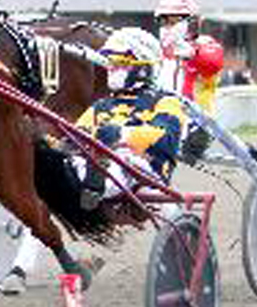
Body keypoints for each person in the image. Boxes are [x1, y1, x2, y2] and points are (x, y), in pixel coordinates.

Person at [71, 27, 191, 206]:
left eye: (120, 64)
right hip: (98, 162)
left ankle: (95, 185)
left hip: (146, 173)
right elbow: (78, 133)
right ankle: (88, 181)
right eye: (110, 63)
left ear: (143, 68)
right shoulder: (102, 105)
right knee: (64, 160)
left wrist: (121, 135)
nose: (112, 69)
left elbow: (165, 137)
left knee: (124, 159)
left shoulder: (166, 102)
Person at [152, 0, 225, 112]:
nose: (169, 28)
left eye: (175, 21)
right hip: (163, 115)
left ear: (192, 23)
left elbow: (213, 63)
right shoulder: (157, 50)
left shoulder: (205, 43)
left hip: (196, 116)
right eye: (165, 22)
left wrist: (193, 53)